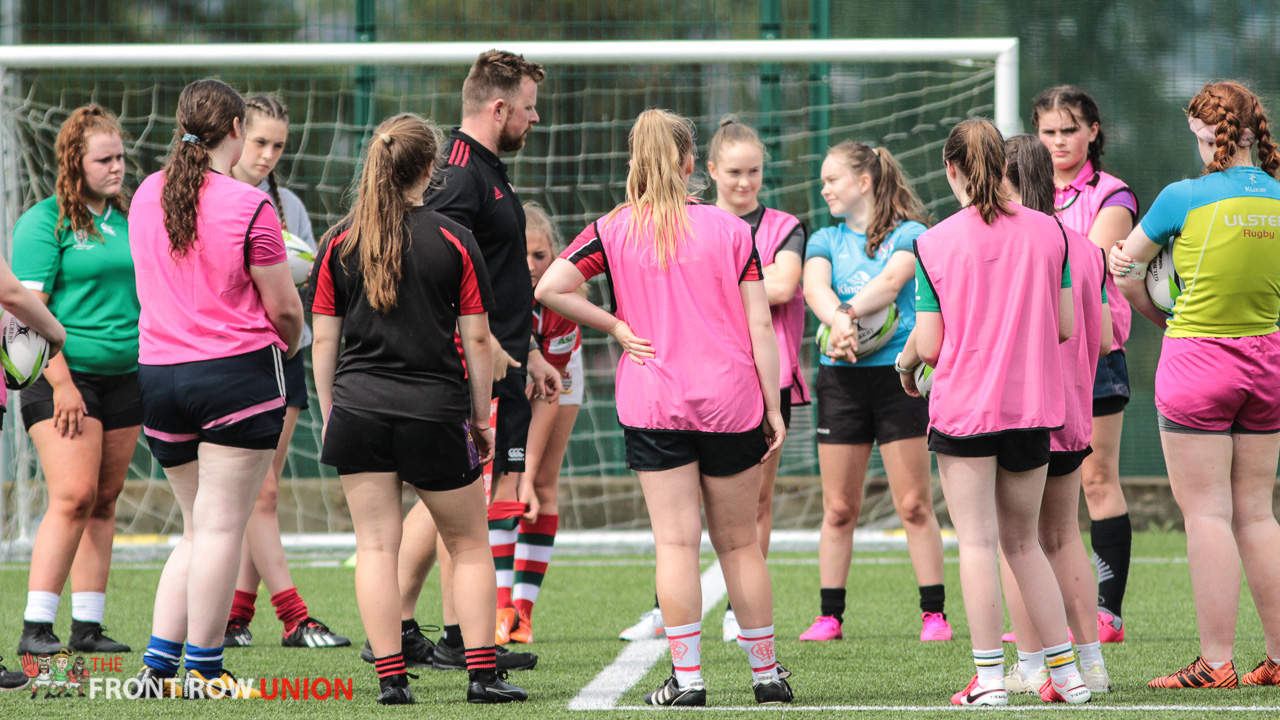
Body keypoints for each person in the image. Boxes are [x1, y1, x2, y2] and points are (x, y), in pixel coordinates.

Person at [537, 108, 793, 706]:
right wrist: (773, 408)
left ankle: (687, 681)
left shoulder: (613, 228)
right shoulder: (733, 230)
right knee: (739, 544)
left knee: (676, 546)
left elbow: (548, 287)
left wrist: (616, 326)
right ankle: (766, 676)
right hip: (733, 401)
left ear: (636, 159)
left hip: (654, 400)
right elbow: (761, 322)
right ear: (687, 163)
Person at [310, 113, 527, 705]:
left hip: (357, 412)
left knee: (375, 547)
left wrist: (332, 410)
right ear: (430, 170)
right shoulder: (453, 240)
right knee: (469, 544)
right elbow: (479, 341)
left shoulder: (337, 242)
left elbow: (324, 342)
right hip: (434, 413)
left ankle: (392, 681)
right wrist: (482, 422)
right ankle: (481, 676)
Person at [898, 117, 1089, 706]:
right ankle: (1069, 676)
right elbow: (1062, 326)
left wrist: (904, 367)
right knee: (1025, 543)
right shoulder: (1050, 233)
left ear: (950, 168)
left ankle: (989, 681)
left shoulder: (932, 242)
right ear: (1004, 166)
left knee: (978, 545)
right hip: (1033, 408)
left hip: (966, 412)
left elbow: (928, 346)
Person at [129, 78, 303, 699]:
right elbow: (284, 310)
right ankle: (204, 670)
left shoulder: (146, 193)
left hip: (158, 378)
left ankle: (156, 668)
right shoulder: (250, 205)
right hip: (234, 375)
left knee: (197, 528)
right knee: (223, 527)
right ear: (235, 130)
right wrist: (297, 337)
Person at [382, 49, 548, 672]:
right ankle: (401, 630)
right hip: (460, 373)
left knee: (454, 505)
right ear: (499, 106)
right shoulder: (456, 174)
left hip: (498, 366)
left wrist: (524, 352)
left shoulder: (489, 170)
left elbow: (496, 280)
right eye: (528, 108)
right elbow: (430, 271)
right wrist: (483, 355)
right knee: (447, 503)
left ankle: (454, 634)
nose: (535, 119)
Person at [1110, 81, 1280, 689]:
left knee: (1207, 513)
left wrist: (1163, 318)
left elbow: (1123, 267)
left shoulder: (1182, 196)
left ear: (1211, 136)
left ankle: (1216, 662)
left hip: (1198, 359)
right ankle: (1279, 660)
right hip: (1269, 360)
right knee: (1258, 514)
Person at [618, 117, 812, 644]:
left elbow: (784, 286)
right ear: (701, 169)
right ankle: (756, 661)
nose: (745, 181)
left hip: (739, 386)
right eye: (734, 172)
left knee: (701, 534)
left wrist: (619, 322)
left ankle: (709, 644)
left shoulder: (623, 224)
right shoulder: (721, 230)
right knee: (726, 538)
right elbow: (760, 300)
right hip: (734, 393)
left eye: (754, 171)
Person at [798, 140, 950, 643]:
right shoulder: (823, 238)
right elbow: (814, 287)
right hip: (840, 379)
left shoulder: (911, 233)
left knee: (913, 504)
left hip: (898, 380)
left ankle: (934, 615)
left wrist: (845, 315)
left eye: (831, 180)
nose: (824, 190)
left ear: (864, 182)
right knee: (839, 508)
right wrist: (836, 322)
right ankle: (830, 617)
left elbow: (891, 281)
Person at [222, 94, 349, 650]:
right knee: (260, 493)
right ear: (235, 135)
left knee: (261, 494)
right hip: (235, 359)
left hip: (284, 353)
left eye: (278, 145)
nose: (269, 154)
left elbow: (297, 280)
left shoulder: (287, 205)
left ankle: (236, 615)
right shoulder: (210, 199)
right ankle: (294, 615)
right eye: (260, 142)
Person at [12, 105, 136, 658]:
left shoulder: (132, 216)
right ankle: (36, 627)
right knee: (73, 494)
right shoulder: (44, 222)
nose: (117, 167)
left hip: (126, 378)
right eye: (104, 159)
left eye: (121, 157)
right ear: (74, 162)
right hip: (61, 378)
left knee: (105, 500)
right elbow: (24, 316)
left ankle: (88, 626)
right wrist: (61, 383)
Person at [992, 135, 1113, 696]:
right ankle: (1092, 664)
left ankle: (1034, 665)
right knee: (1064, 538)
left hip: (1022, 410)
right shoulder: (1084, 246)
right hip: (1073, 408)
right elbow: (1108, 336)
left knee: (1016, 542)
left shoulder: (1008, 243)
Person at [1033, 86, 1138, 642]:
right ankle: (1048, 615)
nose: (1057, 142)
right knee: (1041, 488)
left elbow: (1089, 261)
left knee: (1096, 478)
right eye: (1047, 132)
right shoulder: (1025, 191)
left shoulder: (1113, 195)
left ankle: (1107, 614)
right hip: (1036, 351)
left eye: (1068, 130)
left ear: (1093, 131)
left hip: (1097, 352)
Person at [492, 202, 582, 645]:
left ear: (555, 255)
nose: (529, 266)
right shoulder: (490, 291)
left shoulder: (564, 301)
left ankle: (523, 612)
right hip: (503, 378)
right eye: (520, 254)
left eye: (540, 255)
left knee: (540, 484)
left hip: (558, 380)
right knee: (499, 486)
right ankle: (498, 608)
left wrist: (526, 469)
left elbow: (552, 390)